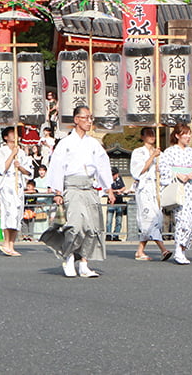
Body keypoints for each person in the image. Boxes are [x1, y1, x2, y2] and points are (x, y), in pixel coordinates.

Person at [42, 106, 112, 278]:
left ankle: (84, 263)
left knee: (91, 228)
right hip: (72, 187)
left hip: (89, 187)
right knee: (74, 226)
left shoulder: (94, 144)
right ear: (76, 120)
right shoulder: (65, 143)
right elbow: (58, 168)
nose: (89, 121)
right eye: (85, 118)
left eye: (90, 118)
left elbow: (102, 166)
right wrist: (58, 192)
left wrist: (108, 188)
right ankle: (68, 255)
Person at [159, 123, 192, 265]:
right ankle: (178, 248)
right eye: (185, 134)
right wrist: (177, 174)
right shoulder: (170, 152)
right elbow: (164, 168)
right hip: (179, 187)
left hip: (190, 188)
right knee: (182, 219)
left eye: (190, 134)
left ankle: (183, 248)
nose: (189, 137)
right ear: (178, 135)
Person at [130, 127, 169, 261]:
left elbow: (165, 171)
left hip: (155, 188)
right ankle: (163, 249)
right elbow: (138, 171)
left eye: (153, 134)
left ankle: (140, 251)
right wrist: (152, 157)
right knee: (149, 217)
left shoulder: (160, 153)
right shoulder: (138, 152)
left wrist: (160, 169)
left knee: (157, 218)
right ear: (142, 137)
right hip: (144, 188)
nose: (152, 136)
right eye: (148, 134)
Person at [0, 126, 32, 256]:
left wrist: (19, 166)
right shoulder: (1, 151)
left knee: (17, 213)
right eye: (11, 134)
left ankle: (12, 244)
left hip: (18, 185)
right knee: (8, 212)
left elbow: (28, 171)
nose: (14, 136)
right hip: (6, 185)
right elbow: (0, 170)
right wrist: (12, 155)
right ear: (6, 137)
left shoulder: (22, 153)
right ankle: (6, 242)